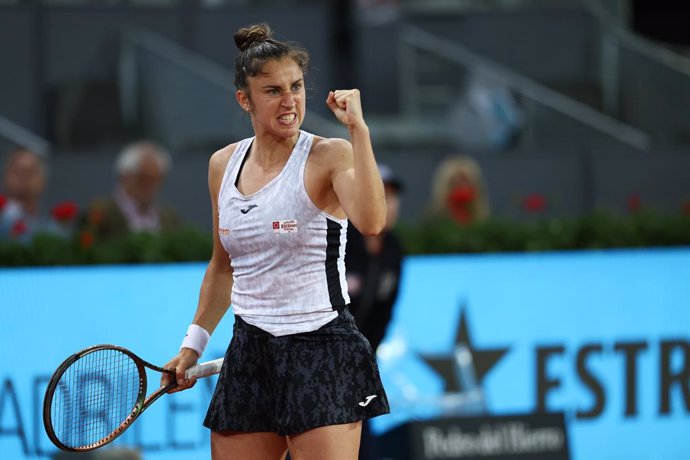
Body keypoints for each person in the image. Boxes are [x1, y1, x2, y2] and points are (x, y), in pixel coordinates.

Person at [161, 23, 390, 460]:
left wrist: (359, 131)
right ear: (244, 100)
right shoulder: (221, 166)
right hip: (249, 350)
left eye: (297, 86)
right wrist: (192, 346)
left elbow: (373, 221)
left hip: (323, 347)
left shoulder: (330, 155)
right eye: (273, 91)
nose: (290, 101)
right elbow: (223, 266)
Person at [345, 163, 404, 460]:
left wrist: (367, 358)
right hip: (321, 363)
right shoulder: (338, 243)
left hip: (361, 368)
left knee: (365, 448)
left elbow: (386, 313)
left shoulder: (394, 250)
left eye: (393, 197)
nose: (389, 205)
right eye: (381, 195)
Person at [83, 140, 181, 240]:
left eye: (156, 179)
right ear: (123, 176)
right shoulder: (99, 212)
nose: (149, 185)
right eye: (143, 178)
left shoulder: (170, 217)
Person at [0, 147, 76, 242]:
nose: (24, 177)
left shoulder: (55, 231)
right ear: (5, 177)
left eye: (30, 171)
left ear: (42, 181)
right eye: (17, 171)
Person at [428, 155, 490, 225]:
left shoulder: (487, 227)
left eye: (465, 182)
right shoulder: (431, 224)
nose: (460, 189)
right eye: (454, 183)